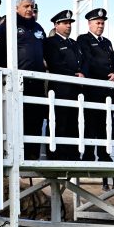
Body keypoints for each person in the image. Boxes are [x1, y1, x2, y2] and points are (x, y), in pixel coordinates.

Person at [0, 0, 47, 160]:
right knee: (17, 121)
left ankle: (32, 159)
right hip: (18, 82)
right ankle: (16, 157)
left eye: (31, 6)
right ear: (16, 8)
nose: (29, 9)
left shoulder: (38, 28)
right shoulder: (9, 24)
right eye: (25, 6)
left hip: (37, 82)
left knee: (36, 121)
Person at [77, 8, 114, 174]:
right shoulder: (84, 39)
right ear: (90, 23)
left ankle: (103, 154)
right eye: (97, 23)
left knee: (105, 124)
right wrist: (104, 75)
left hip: (106, 90)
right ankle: (88, 155)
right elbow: (90, 61)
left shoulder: (107, 42)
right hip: (92, 88)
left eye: (102, 23)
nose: (100, 25)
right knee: (90, 123)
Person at [43, 9, 84, 161]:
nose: (69, 26)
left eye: (70, 23)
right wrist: (73, 74)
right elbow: (55, 64)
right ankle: (56, 154)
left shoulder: (74, 43)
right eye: (65, 23)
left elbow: (82, 62)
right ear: (56, 25)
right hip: (60, 88)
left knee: (74, 122)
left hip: (75, 90)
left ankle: (72, 155)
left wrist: (81, 73)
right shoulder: (50, 42)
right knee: (59, 121)